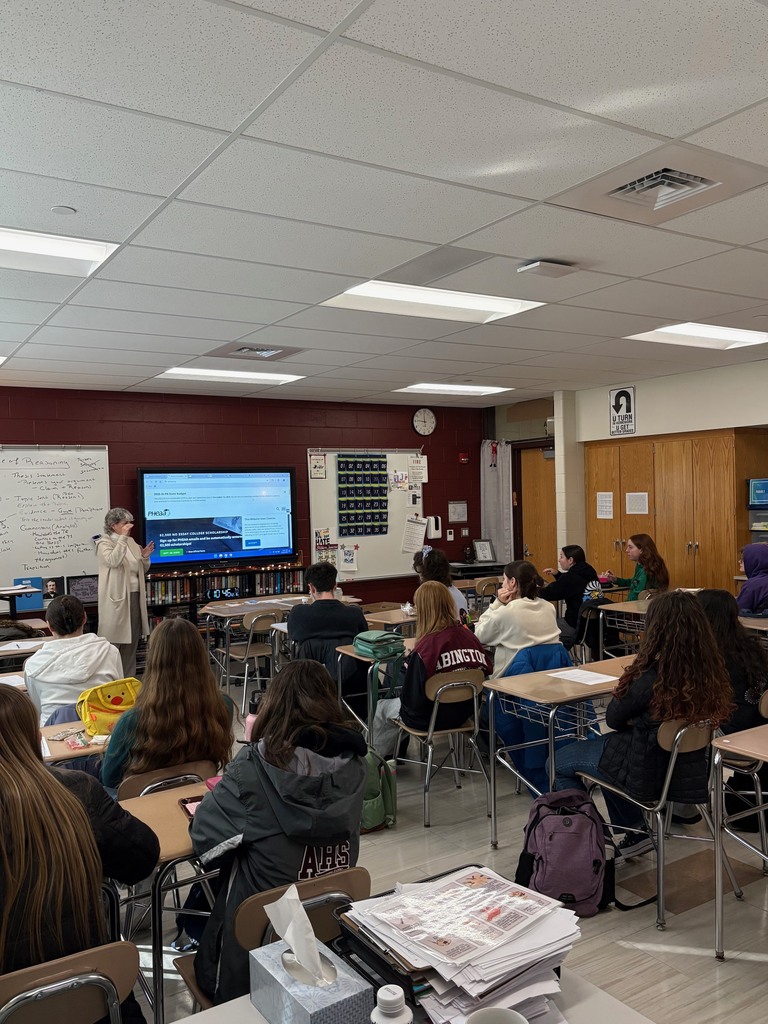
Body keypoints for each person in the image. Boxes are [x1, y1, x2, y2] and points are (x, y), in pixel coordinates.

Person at [190, 660, 367, 1003]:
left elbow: (203, 836)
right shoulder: (357, 766)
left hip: (252, 962)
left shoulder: (254, 767)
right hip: (328, 942)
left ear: (273, 705)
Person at [0, 687, 159, 1020]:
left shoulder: (78, 790)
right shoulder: (77, 790)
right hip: (95, 993)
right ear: (32, 735)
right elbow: (141, 858)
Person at [553, 591, 733, 859]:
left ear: (656, 629)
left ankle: (595, 838)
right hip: (684, 773)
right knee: (605, 756)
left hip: (643, 769)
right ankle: (635, 831)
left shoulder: (651, 677)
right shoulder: (710, 672)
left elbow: (613, 719)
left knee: (557, 763)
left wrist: (635, 715)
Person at [101, 616, 234, 791]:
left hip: (141, 807)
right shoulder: (223, 705)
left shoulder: (133, 720)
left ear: (154, 661)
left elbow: (109, 779)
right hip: (196, 797)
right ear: (201, 655)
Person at [399, 581, 492, 732]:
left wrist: (411, 671)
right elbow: (486, 671)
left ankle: (373, 754)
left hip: (428, 718)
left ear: (423, 610)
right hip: (466, 712)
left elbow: (412, 703)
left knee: (382, 709)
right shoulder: (470, 637)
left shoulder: (425, 648)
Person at [24, 594, 123, 726]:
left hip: (54, 736)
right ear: (84, 618)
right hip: (104, 731)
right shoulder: (110, 652)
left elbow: (38, 708)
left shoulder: (33, 665)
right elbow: (120, 698)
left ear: (49, 626)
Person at [286, 561, 368, 706]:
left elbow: (294, 638)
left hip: (308, 689)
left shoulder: (298, 614)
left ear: (311, 587)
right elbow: (363, 639)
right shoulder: (354, 613)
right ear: (335, 585)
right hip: (353, 687)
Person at [474, 560, 560, 678]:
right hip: (549, 679)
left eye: (504, 579)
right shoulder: (549, 607)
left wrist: (497, 603)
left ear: (513, 582)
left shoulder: (506, 612)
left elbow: (478, 635)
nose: (502, 584)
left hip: (512, 681)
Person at [96, 507, 154, 678]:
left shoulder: (131, 543)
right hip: (117, 601)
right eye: (125, 523)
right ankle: (112, 681)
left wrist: (144, 556)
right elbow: (114, 561)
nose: (130, 526)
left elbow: (141, 569)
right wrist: (122, 539)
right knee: (114, 644)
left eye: (130, 522)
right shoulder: (103, 543)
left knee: (132, 642)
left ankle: (128, 681)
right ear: (114, 525)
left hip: (135, 597)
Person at [540, 544, 599, 641]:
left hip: (574, 626)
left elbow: (549, 593)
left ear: (570, 560)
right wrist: (558, 574)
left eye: (562, 557)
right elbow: (572, 586)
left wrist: (531, 589)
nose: (559, 560)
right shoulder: (589, 571)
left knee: (538, 628)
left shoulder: (570, 577)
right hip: (592, 626)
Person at [602, 533, 669, 600]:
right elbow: (634, 582)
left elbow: (636, 596)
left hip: (634, 608)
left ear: (641, 550)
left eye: (630, 547)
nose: (627, 550)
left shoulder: (645, 571)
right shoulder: (644, 566)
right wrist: (616, 580)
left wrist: (622, 606)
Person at [412, 546, 468, 618]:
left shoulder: (436, 596)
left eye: (421, 574)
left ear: (429, 574)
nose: (420, 578)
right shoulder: (453, 591)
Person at [736, 542, 768, 614]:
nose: (739, 562)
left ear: (754, 561)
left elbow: (737, 610)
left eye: (743, 559)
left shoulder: (753, 585)